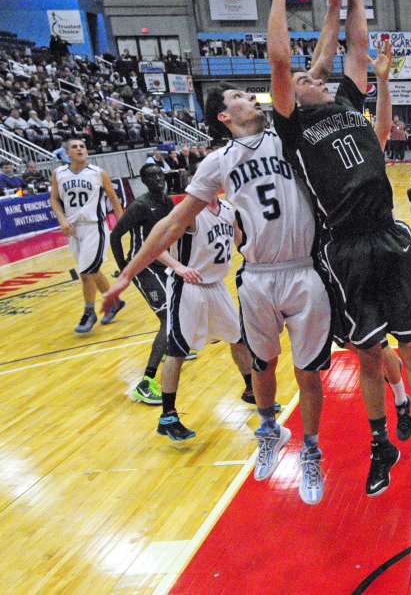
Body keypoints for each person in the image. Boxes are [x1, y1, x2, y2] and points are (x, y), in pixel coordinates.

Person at [254, 0, 411, 497]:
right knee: (368, 357)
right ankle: (379, 443)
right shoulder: (290, 125)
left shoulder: (347, 103)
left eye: (323, 77)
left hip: (389, 235)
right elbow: (283, 62)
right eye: (312, 79)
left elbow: (355, 45)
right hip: (343, 248)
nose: (319, 77)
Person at [102, 74, 336, 502]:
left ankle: (312, 452)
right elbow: (172, 224)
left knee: (308, 373)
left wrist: (327, 5)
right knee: (262, 365)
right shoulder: (217, 162)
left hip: (305, 268)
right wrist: (124, 275)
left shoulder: (285, 132)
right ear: (225, 116)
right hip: (258, 274)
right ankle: (270, 430)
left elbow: (299, 68)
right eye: (241, 96)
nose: (253, 97)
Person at [154, 193, 258, 441]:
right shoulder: (188, 211)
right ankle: (167, 416)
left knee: (238, 338)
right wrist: (179, 267)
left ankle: (252, 390)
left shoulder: (227, 209)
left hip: (216, 285)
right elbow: (156, 244)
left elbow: (239, 240)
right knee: (177, 351)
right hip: (187, 286)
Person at [109, 164, 180, 404]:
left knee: (179, 307)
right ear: (144, 181)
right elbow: (115, 234)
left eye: (160, 175)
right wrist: (124, 271)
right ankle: (146, 383)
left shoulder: (168, 202)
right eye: (152, 176)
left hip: (163, 263)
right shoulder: (139, 205)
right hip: (143, 267)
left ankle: (171, 344)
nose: (158, 179)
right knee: (167, 319)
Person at [51, 139, 125, 333]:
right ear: (67, 153)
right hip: (72, 229)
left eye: (82, 146)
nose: (79, 149)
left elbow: (113, 198)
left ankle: (89, 313)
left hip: (94, 226)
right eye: (74, 147)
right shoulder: (58, 174)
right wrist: (61, 219)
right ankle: (114, 302)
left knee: (86, 273)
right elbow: (54, 200)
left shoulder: (98, 173)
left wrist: (124, 222)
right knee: (91, 270)